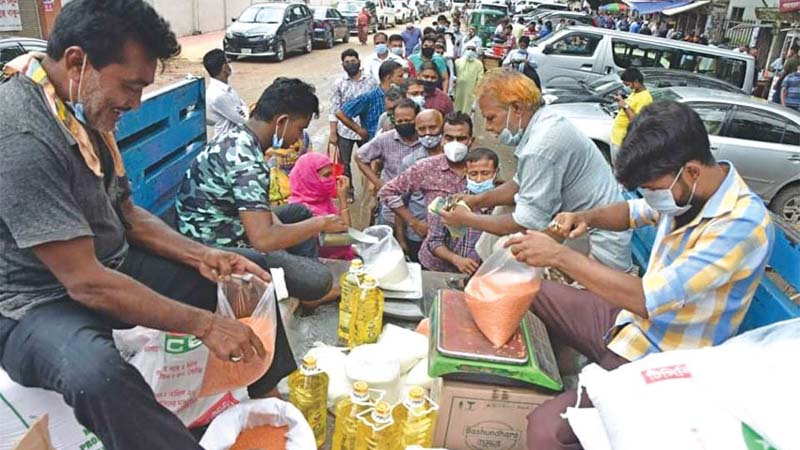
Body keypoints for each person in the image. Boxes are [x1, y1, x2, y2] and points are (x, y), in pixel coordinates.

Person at [0, 1, 289, 448]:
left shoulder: (82, 108)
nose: (134, 103)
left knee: (244, 275)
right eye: (130, 87)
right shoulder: (22, 134)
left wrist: (204, 255)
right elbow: (85, 284)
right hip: (36, 301)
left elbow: (128, 215)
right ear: (78, 62)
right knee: (96, 374)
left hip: (108, 266)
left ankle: (271, 406)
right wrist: (206, 325)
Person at [519, 101, 774, 450]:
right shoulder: (685, 193)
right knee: (530, 288)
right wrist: (587, 217)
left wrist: (559, 255)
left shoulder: (741, 224)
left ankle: (587, 400)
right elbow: (633, 212)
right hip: (627, 324)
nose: (651, 197)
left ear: (693, 171)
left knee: (545, 432)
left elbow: (648, 297)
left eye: (653, 188)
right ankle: (556, 383)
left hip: (662, 357)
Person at [440, 70, 632, 272]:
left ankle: (492, 285)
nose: (487, 127)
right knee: (503, 210)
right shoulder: (543, 123)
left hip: (593, 237)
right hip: (573, 221)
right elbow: (519, 184)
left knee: (511, 251)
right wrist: (477, 201)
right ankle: (482, 273)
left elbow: (526, 221)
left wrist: (467, 219)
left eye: (491, 118)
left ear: (516, 108)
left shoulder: (541, 146)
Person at [176, 78, 347, 305]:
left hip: (225, 221)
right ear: (282, 121)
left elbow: (255, 206)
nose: (298, 138)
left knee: (300, 212)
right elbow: (263, 240)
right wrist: (321, 224)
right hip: (212, 244)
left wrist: (282, 227)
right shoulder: (248, 161)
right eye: (299, 129)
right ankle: (302, 284)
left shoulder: (238, 137)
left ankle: (297, 277)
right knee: (319, 280)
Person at [381, 111, 473, 261]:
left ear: (471, 140)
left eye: (461, 138)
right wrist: (414, 223)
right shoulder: (426, 167)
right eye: (449, 138)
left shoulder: (481, 169)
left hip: (470, 256)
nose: (455, 143)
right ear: (443, 139)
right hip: (433, 257)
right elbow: (388, 192)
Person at [422, 148, 498, 274]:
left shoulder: (502, 207)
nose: (479, 179)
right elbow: (434, 241)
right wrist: (456, 259)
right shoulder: (450, 203)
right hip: (449, 271)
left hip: (487, 274)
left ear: (495, 173)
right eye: (473, 174)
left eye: (485, 173)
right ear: (465, 173)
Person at [357, 99, 422, 232]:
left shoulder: (426, 140)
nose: (404, 124)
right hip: (391, 209)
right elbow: (360, 157)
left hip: (419, 209)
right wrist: (378, 183)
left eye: (408, 121)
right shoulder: (385, 139)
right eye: (400, 121)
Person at [329, 48, 379, 199]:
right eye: (347, 62)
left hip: (366, 129)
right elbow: (334, 108)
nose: (350, 64)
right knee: (345, 163)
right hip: (345, 131)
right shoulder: (338, 83)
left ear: (359, 62)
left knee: (370, 160)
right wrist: (333, 132)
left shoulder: (371, 80)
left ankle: (370, 190)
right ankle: (348, 192)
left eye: (353, 61)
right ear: (342, 64)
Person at [289, 153, 354, 259]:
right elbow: (345, 238)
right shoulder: (302, 211)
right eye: (326, 175)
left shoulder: (323, 200)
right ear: (310, 178)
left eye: (332, 174)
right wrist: (343, 200)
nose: (333, 179)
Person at [336, 60, 405, 142]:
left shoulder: (402, 94)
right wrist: (359, 131)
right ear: (389, 78)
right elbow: (340, 113)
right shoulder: (369, 97)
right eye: (400, 76)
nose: (403, 79)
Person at [610, 68, 653, 165]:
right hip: (616, 137)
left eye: (628, 84)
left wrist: (625, 106)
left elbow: (637, 121)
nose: (628, 87)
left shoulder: (645, 98)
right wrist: (621, 101)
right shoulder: (635, 93)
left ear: (636, 81)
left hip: (623, 140)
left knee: (619, 169)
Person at [203, 49, 247, 138]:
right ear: (224, 68)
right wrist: (246, 109)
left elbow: (241, 107)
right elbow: (244, 120)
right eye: (228, 62)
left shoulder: (225, 89)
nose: (230, 65)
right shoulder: (218, 95)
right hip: (227, 142)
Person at [454, 42, 484, 113]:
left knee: (467, 111)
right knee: (457, 108)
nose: (470, 51)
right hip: (458, 90)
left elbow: (480, 80)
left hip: (471, 92)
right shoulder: (457, 62)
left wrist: (477, 94)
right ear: (464, 50)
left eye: (472, 49)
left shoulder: (479, 64)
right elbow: (454, 76)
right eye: (468, 49)